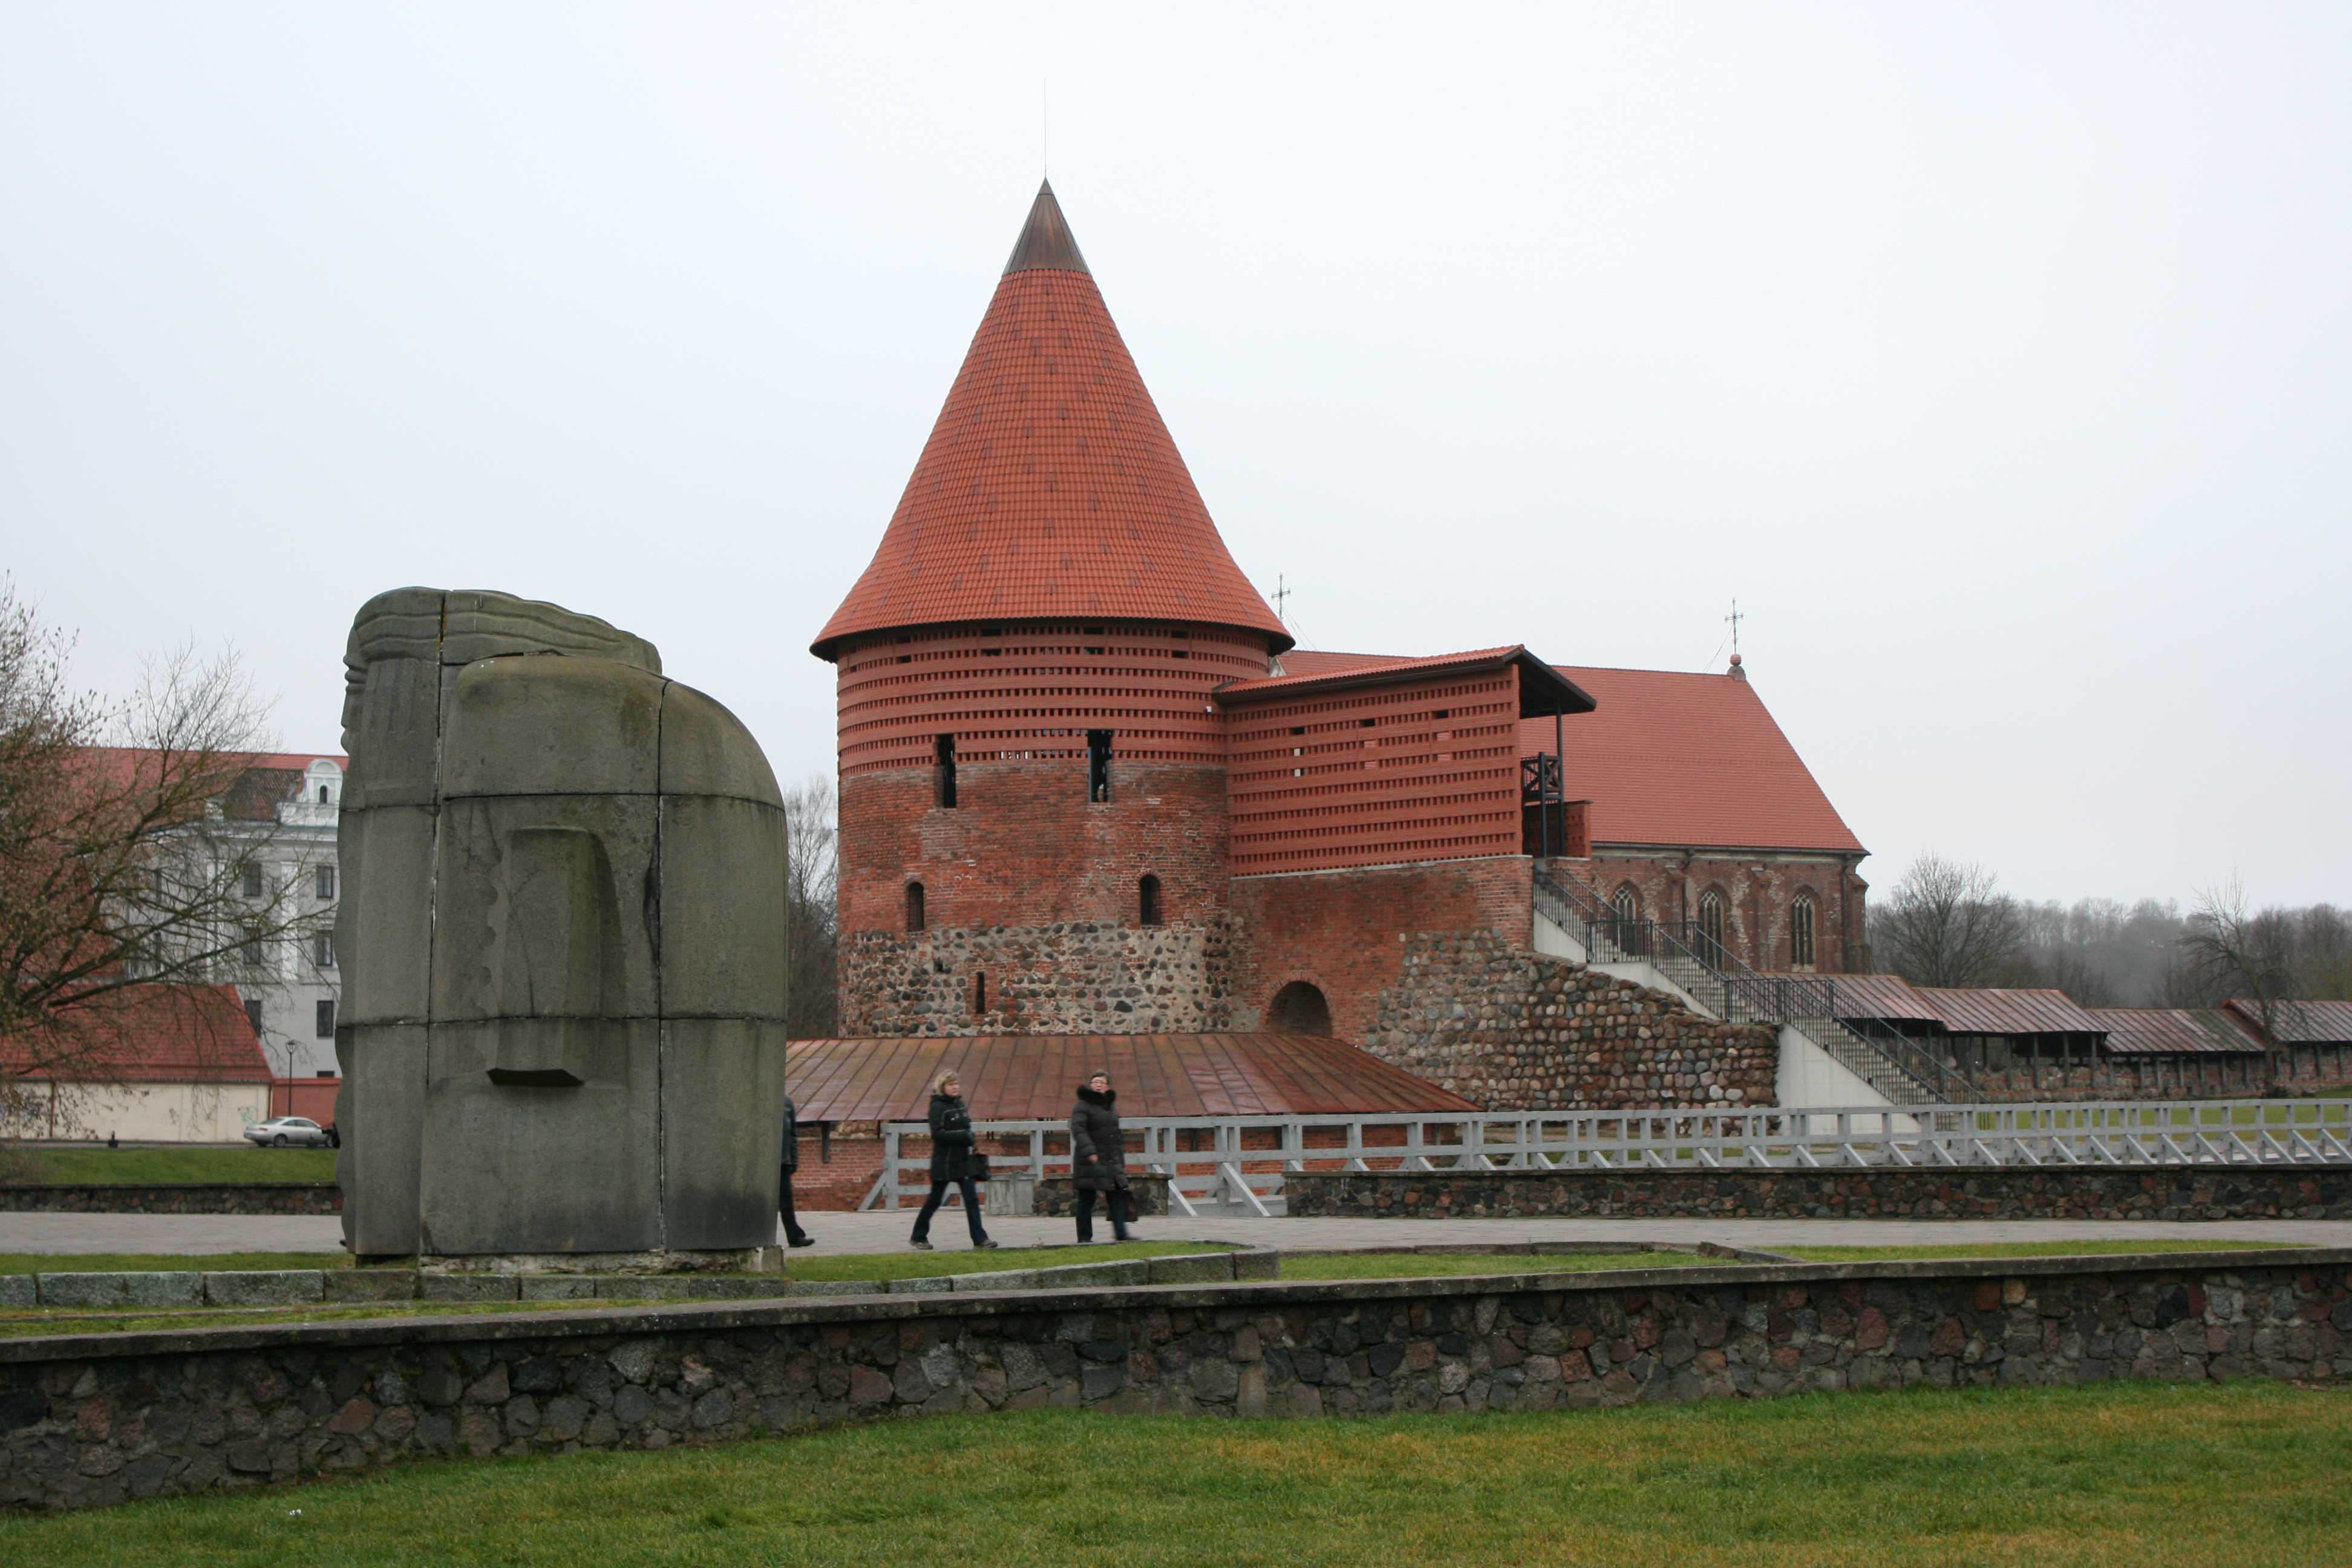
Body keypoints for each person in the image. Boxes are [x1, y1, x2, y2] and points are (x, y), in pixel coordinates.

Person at [910, 1070, 997, 1250]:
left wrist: (970, 1137)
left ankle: (980, 1239)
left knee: (972, 1200)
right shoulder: (937, 1107)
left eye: (956, 1083)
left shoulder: (959, 1103)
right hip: (944, 1162)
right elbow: (938, 1134)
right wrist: (964, 1136)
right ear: (943, 1087)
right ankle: (918, 1236)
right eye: (951, 1084)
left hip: (963, 1161)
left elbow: (966, 1127)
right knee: (935, 1200)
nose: (955, 1087)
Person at [1069, 1071, 1134, 1243]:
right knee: (1087, 1198)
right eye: (1094, 1081)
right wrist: (1090, 1152)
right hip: (1090, 1160)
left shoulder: (1110, 1107)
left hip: (1111, 1159)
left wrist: (1120, 1159)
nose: (1097, 1084)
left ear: (1108, 1087)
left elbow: (1116, 1135)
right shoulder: (1082, 1105)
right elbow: (1078, 1129)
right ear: (1090, 1085)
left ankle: (1122, 1234)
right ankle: (1084, 1238)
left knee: (1117, 1195)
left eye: (1101, 1082)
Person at [777, 1092, 814, 1249]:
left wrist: (794, 1160)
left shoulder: (786, 1101)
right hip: (763, 1163)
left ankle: (795, 1237)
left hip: (783, 1161)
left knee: (787, 1203)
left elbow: (793, 1134)